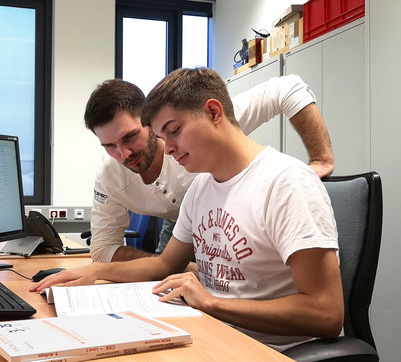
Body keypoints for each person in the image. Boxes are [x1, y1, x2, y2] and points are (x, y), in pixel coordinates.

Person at [31, 67, 343, 351]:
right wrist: (95, 271)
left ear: (213, 113)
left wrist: (209, 301)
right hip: (210, 333)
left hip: (265, 349)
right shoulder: (202, 187)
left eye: (174, 130)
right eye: (163, 135)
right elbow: (164, 265)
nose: (169, 147)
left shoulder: (287, 183)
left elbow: (326, 313)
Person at [85, 74, 334, 263]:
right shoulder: (109, 177)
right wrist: (176, 267)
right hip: (182, 225)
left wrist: (321, 159)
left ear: (152, 124)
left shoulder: (209, 124)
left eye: (130, 137)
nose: (123, 154)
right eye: (109, 146)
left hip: (226, 220)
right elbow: (103, 249)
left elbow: (287, 88)